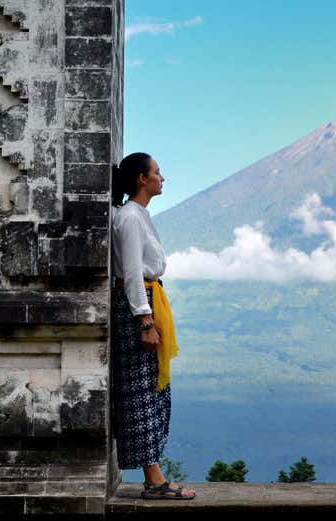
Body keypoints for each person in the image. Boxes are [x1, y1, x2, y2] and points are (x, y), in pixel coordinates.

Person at [110, 152, 196, 500]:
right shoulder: (130, 217)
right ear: (141, 179)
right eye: (157, 172)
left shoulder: (137, 215)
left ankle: (154, 475)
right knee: (143, 392)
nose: (163, 177)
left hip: (146, 300)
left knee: (153, 390)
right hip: (138, 307)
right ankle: (155, 481)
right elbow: (131, 271)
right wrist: (145, 320)